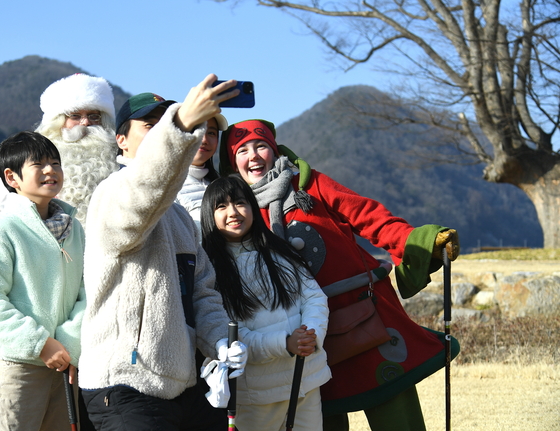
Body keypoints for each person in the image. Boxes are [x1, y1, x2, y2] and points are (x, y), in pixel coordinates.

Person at [218, 119, 461, 431]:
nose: (253, 155)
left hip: (363, 315)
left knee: (396, 412)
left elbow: (368, 216)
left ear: (275, 150)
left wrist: (418, 240)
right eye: (242, 150)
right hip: (306, 337)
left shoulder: (310, 185)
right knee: (321, 419)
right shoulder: (238, 212)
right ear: (233, 162)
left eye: (260, 146)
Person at [78, 75, 248, 431]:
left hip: (182, 383)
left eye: (164, 125)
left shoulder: (181, 216)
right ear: (121, 140)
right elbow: (145, 189)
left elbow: (202, 292)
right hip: (125, 382)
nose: (159, 133)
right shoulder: (112, 193)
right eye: (149, 126)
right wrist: (180, 125)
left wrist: (220, 340)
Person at [0, 131, 86, 430]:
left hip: (66, 364)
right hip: (18, 364)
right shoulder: (0, 228)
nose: (51, 170)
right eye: (39, 164)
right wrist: (40, 344)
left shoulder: (75, 229)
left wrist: (69, 344)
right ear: (12, 177)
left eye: (55, 163)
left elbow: (87, 293)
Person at [200, 175, 332, 431]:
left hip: (305, 380)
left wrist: (311, 335)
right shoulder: (210, 272)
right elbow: (232, 336)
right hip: (257, 396)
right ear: (209, 216)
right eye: (221, 206)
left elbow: (314, 297)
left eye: (240, 202)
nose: (233, 212)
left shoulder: (280, 250)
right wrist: (285, 344)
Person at [0, 73, 118, 261]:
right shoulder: (27, 168)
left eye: (94, 116)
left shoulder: (119, 165)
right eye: (75, 116)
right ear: (57, 122)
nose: (85, 123)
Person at [175, 112, 227, 241]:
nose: (204, 140)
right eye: (195, 130)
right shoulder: (166, 187)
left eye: (211, 133)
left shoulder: (223, 185)